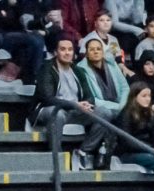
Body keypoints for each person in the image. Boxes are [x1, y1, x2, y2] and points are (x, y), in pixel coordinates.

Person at [30, 36, 115, 171]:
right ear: (56, 52)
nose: (67, 52)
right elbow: (47, 98)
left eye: (70, 49)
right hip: (48, 110)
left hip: (74, 110)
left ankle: (83, 152)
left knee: (105, 112)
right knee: (58, 114)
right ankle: (57, 158)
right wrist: (75, 105)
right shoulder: (46, 68)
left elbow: (89, 95)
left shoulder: (78, 71)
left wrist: (86, 104)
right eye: (63, 49)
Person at [75, 38, 130, 147]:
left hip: (119, 106)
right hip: (98, 108)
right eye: (92, 49)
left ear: (103, 52)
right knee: (109, 115)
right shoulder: (81, 69)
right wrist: (117, 107)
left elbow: (125, 88)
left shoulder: (111, 64)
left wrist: (121, 106)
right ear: (86, 54)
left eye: (98, 49)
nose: (96, 52)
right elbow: (90, 98)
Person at [79, 10, 133, 76]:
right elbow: (83, 58)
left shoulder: (113, 40)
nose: (105, 23)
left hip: (113, 71)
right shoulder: (89, 39)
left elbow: (117, 58)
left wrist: (125, 69)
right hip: (95, 72)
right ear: (95, 23)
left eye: (108, 20)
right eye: (101, 20)